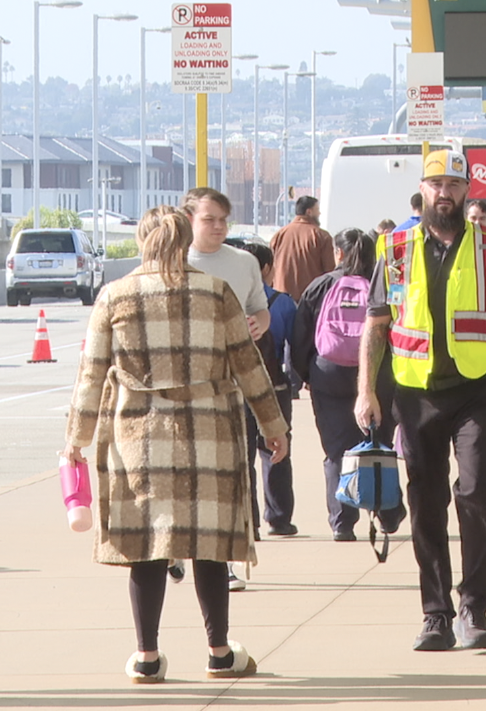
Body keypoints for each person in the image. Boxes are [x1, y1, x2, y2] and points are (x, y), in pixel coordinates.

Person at [63, 205, 287, 684]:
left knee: (149, 544)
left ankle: (146, 657)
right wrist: (274, 425)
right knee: (209, 542)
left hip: (138, 437)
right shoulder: (217, 292)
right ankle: (220, 653)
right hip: (209, 432)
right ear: (186, 241)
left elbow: (91, 376)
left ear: (142, 240)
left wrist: (76, 441)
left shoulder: (115, 296)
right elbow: (249, 367)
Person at [355, 149, 486, 652]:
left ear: (467, 191)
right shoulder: (393, 247)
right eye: (436, 183)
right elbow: (376, 323)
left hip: (475, 389)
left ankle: (474, 607)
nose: (445, 193)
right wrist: (365, 389)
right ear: (422, 188)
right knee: (427, 499)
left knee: (477, 489)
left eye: (454, 184)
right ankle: (435, 612)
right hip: (415, 394)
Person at [184, 187, 273, 591]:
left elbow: (260, 308)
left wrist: (259, 322)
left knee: (234, 473)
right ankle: (176, 549)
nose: (218, 226)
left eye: (223, 219)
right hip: (183, 387)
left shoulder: (244, 262)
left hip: (232, 384)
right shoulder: (174, 261)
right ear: (189, 220)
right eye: (209, 219)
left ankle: (230, 560)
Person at [291, 228, 404, 541]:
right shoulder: (382, 286)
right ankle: (388, 512)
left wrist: (306, 375)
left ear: (337, 253)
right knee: (379, 442)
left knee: (337, 450)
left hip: (329, 374)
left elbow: (301, 336)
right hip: (378, 374)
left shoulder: (320, 286)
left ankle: (342, 521)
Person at [238, 242, 299, 538]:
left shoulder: (230, 300)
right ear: (264, 269)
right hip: (274, 386)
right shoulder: (283, 303)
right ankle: (280, 518)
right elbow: (295, 347)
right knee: (276, 450)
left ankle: (249, 522)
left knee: (242, 456)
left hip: (237, 388)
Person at [270, 196, 335, 303]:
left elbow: (271, 268)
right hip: (310, 300)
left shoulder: (279, 235)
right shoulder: (321, 236)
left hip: (280, 298)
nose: (319, 214)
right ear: (309, 212)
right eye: (317, 210)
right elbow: (330, 272)